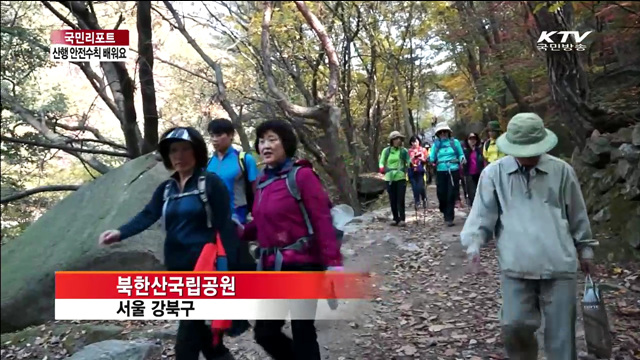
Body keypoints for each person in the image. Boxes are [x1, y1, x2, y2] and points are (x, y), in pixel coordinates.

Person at [460, 113, 598, 360]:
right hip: (516, 265)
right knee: (514, 326)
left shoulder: (562, 171)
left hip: (559, 264)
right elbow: (482, 216)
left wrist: (585, 249)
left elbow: (577, 213)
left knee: (562, 338)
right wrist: (474, 244)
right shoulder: (494, 174)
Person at [98, 126, 241, 360]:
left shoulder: (210, 183)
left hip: (204, 271)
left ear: (196, 152)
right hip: (177, 268)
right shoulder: (166, 189)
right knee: (208, 340)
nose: (179, 156)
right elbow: (147, 214)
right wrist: (120, 232)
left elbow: (225, 228)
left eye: (185, 149)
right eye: (174, 150)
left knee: (186, 344)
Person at [239, 119, 343, 360]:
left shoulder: (303, 176)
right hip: (271, 268)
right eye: (262, 140)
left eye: (272, 139)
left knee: (302, 329)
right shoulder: (263, 181)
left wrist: (334, 264)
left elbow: (322, 221)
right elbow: (261, 223)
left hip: (303, 264)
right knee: (265, 332)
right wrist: (237, 230)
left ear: (285, 144)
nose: (265, 145)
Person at [206, 118, 259, 225]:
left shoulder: (244, 159)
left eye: (219, 135)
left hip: (238, 219)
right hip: (213, 221)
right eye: (212, 135)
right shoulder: (209, 163)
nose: (215, 139)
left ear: (231, 135)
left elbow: (257, 192)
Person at [429, 122, 466, 227]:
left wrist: (462, 159)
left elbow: (460, 154)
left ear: (448, 132)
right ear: (438, 134)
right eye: (441, 132)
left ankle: (449, 218)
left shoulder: (455, 142)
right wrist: (430, 160)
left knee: (451, 194)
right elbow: (432, 156)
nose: (443, 133)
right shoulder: (436, 144)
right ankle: (443, 208)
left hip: (453, 170)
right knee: (441, 193)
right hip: (441, 170)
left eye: (445, 132)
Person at [379, 131, 411, 227]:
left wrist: (412, 164)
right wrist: (381, 167)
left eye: (399, 139)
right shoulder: (386, 151)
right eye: (396, 138)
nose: (398, 140)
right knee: (392, 199)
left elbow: (408, 161)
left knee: (400, 199)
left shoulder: (403, 151)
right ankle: (395, 218)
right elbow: (382, 161)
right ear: (392, 140)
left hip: (400, 177)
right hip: (389, 178)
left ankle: (402, 219)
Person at [462, 132, 485, 207]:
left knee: (480, 192)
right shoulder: (465, 151)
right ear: (467, 140)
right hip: (469, 174)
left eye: (474, 138)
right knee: (472, 193)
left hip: (479, 174)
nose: (472, 140)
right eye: (470, 138)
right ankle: (473, 209)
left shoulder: (480, 150)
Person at [408, 135, 428, 211]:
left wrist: (421, 159)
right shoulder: (409, 151)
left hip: (420, 170)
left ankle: (424, 198)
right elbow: (407, 161)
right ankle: (417, 201)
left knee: (420, 187)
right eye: (412, 142)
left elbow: (427, 160)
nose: (414, 143)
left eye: (415, 141)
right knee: (414, 187)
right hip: (412, 170)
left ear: (419, 141)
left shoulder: (423, 150)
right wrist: (412, 158)